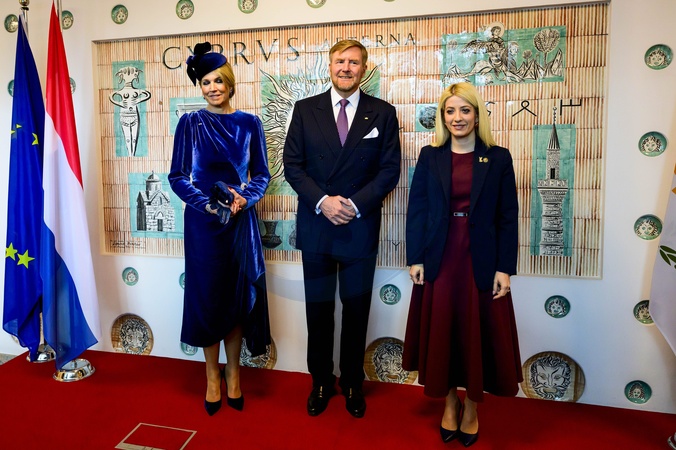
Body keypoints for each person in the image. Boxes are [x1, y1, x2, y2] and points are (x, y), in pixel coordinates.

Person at [283, 39, 401, 418]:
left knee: (356, 311)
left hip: (358, 226)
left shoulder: (383, 113)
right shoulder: (305, 110)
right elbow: (292, 166)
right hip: (318, 226)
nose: (346, 68)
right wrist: (323, 201)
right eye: (339, 61)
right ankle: (320, 381)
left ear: (363, 68)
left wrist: (354, 204)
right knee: (318, 311)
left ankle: (352, 382)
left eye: (353, 62)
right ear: (329, 66)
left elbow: (389, 170)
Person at [403, 82, 521, 447]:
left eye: (465, 110)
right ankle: (450, 402)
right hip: (440, 256)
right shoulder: (430, 156)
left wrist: (505, 268)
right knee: (444, 332)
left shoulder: (498, 158)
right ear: (443, 117)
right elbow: (417, 209)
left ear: (477, 115)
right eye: (450, 111)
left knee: (477, 333)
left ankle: (472, 407)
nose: (458, 118)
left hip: (481, 259)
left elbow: (508, 216)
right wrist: (415, 257)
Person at [169, 42, 271, 416]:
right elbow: (177, 177)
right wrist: (209, 204)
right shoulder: (190, 123)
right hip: (203, 226)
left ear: (229, 83)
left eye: (218, 81)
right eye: (206, 82)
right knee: (209, 298)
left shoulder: (250, 123)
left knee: (236, 297)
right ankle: (212, 375)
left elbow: (262, 175)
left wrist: (244, 197)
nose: (212, 88)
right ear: (200, 86)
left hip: (240, 224)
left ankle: (234, 373)